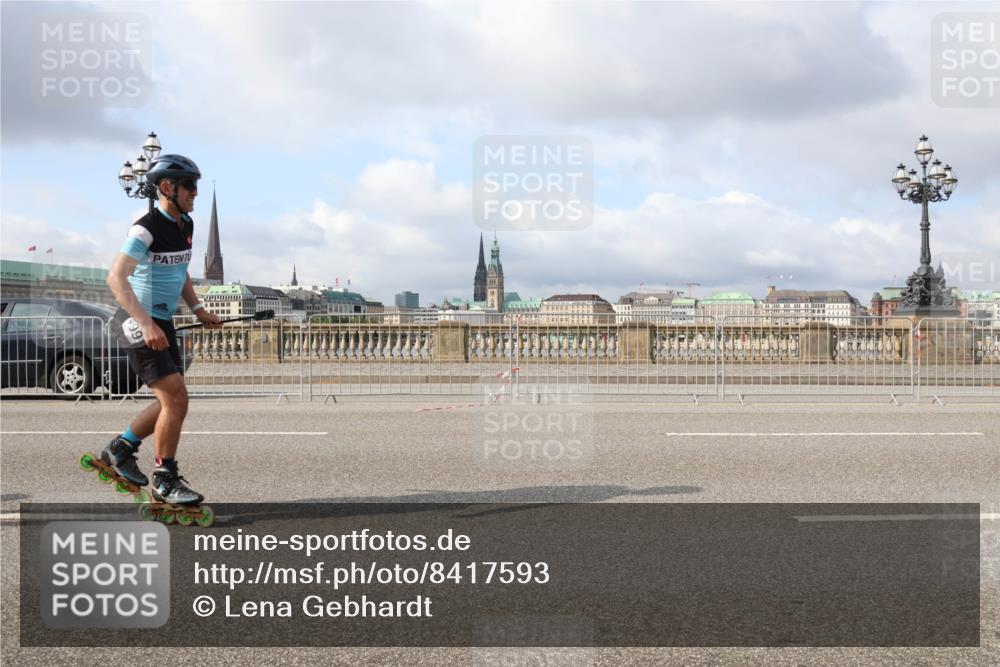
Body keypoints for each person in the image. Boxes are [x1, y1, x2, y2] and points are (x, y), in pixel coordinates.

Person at [104, 154, 221, 505]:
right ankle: (164, 478)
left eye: (197, 186)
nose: (195, 193)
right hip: (138, 322)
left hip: (164, 322)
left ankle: (121, 447)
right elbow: (116, 277)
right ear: (167, 188)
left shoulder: (185, 225)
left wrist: (199, 309)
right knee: (176, 397)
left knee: (172, 399)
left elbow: (180, 270)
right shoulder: (145, 229)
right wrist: (145, 322)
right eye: (189, 186)